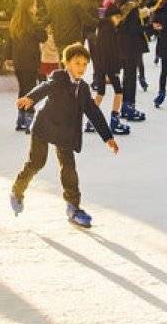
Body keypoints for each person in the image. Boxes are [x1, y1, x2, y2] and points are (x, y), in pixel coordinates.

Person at [9, 43, 119, 229]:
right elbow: (46, 86)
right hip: (45, 127)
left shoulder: (83, 88)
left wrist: (108, 137)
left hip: (65, 132)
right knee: (37, 162)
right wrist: (31, 98)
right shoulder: (59, 77)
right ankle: (17, 191)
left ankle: (73, 208)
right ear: (66, 63)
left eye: (84, 64)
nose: (81, 68)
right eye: (77, 63)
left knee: (68, 167)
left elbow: (93, 112)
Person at [88, 0, 131, 137]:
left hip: (102, 66)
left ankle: (91, 120)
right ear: (112, 16)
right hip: (108, 67)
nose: (119, 20)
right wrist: (110, 71)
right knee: (119, 91)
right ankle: (114, 120)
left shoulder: (103, 28)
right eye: (117, 17)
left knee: (101, 92)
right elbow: (108, 51)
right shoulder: (109, 30)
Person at [8, 0, 45, 131]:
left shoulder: (15, 21)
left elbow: (10, 41)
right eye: (35, 6)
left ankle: (21, 118)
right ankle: (29, 117)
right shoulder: (33, 23)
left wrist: (9, 57)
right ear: (29, 8)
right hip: (31, 61)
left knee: (23, 88)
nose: (36, 8)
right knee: (30, 90)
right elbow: (43, 37)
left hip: (19, 61)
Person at [113, 0, 149, 123]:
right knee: (131, 77)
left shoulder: (117, 9)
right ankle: (129, 106)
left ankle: (124, 105)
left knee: (125, 77)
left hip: (120, 46)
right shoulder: (133, 9)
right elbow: (135, 29)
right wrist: (148, 27)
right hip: (132, 46)